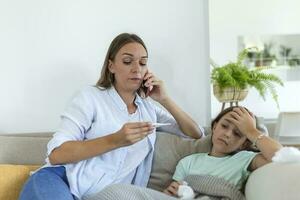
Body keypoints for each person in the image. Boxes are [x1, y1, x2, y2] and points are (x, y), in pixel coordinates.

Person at [19, 33, 203, 200]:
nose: (136, 68)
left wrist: (165, 99)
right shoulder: (90, 97)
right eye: (127, 61)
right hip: (61, 181)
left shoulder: (148, 109)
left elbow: (196, 133)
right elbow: (56, 155)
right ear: (111, 66)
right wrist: (115, 140)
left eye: (142, 62)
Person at [163, 106, 283, 197]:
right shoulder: (187, 162)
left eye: (237, 133)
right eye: (224, 126)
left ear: (244, 143)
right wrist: (170, 192)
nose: (227, 134)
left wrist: (251, 131)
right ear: (214, 127)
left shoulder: (245, 159)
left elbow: (281, 157)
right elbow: (172, 193)